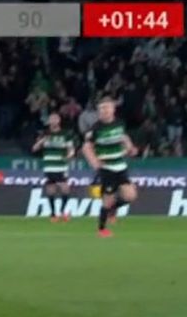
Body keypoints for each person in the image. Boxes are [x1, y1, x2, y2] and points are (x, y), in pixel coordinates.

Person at [81, 96, 139, 238]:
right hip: (107, 168)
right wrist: (94, 162)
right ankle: (101, 229)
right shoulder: (95, 129)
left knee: (130, 196)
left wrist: (130, 147)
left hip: (121, 166)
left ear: (113, 109)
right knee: (107, 200)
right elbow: (86, 147)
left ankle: (113, 209)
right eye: (101, 109)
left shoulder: (119, 123)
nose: (104, 111)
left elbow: (123, 137)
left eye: (106, 108)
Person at [32, 112, 76, 222]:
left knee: (65, 189)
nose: (53, 121)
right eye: (51, 119)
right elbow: (34, 148)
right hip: (49, 166)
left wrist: (69, 155)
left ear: (59, 120)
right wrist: (42, 141)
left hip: (61, 165)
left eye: (55, 119)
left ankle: (62, 211)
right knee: (50, 189)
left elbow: (71, 149)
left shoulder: (65, 134)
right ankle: (53, 214)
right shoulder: (44, 134)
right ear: (49, 121)